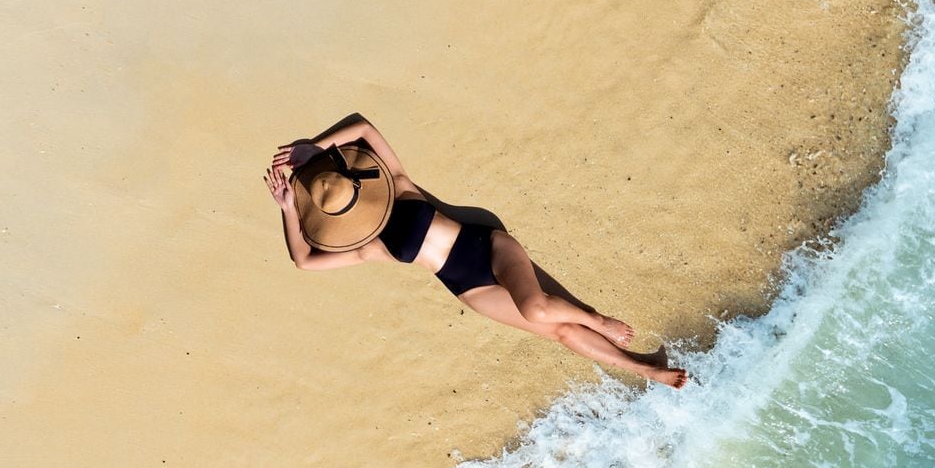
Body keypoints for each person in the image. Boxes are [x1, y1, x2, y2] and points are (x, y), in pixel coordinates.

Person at [264, 114, 688, 388]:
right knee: (556, 331)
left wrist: (319, 147)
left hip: (488, 248)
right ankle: (648, 368)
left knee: (538, 309)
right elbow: (303, 260)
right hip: (466, 286)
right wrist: (287, 208)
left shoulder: (400, 185)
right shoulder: (371, 246)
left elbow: (363, 127)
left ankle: (598, 319)